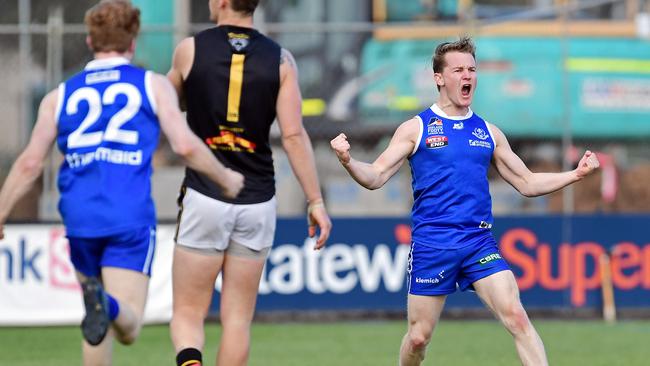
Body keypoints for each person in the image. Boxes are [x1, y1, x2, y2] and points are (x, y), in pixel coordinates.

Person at [330, 36, 600, 366]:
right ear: (439, 78)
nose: (467, 76)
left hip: (477, 243)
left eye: (472, 69)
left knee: (517, 317)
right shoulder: (416, 128)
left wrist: (575, 174)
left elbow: (527, 182)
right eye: (458, 69)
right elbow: (375, 176)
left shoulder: (488, 131)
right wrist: (347, 161)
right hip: (433, 243)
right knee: (418, 338)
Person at [0, 1, 244, 365]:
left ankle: (99, 301)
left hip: (79, 216)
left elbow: (30, 162)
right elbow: (184, 144)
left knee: (94, 321)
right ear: (133, 41)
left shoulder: (58, 96)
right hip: (127, 214)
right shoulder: (151, 84)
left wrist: (1, 213)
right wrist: (226, 178)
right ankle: (107, 303)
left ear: (88, 41)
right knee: (126, 325)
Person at [166, 1, 332, 365]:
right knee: (238, 320)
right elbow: (292, 135)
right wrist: (315, 201)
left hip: (205, 195)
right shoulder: (281, 59)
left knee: (187, 314)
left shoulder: (189, 49)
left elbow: (168, 104)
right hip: (257, 200)